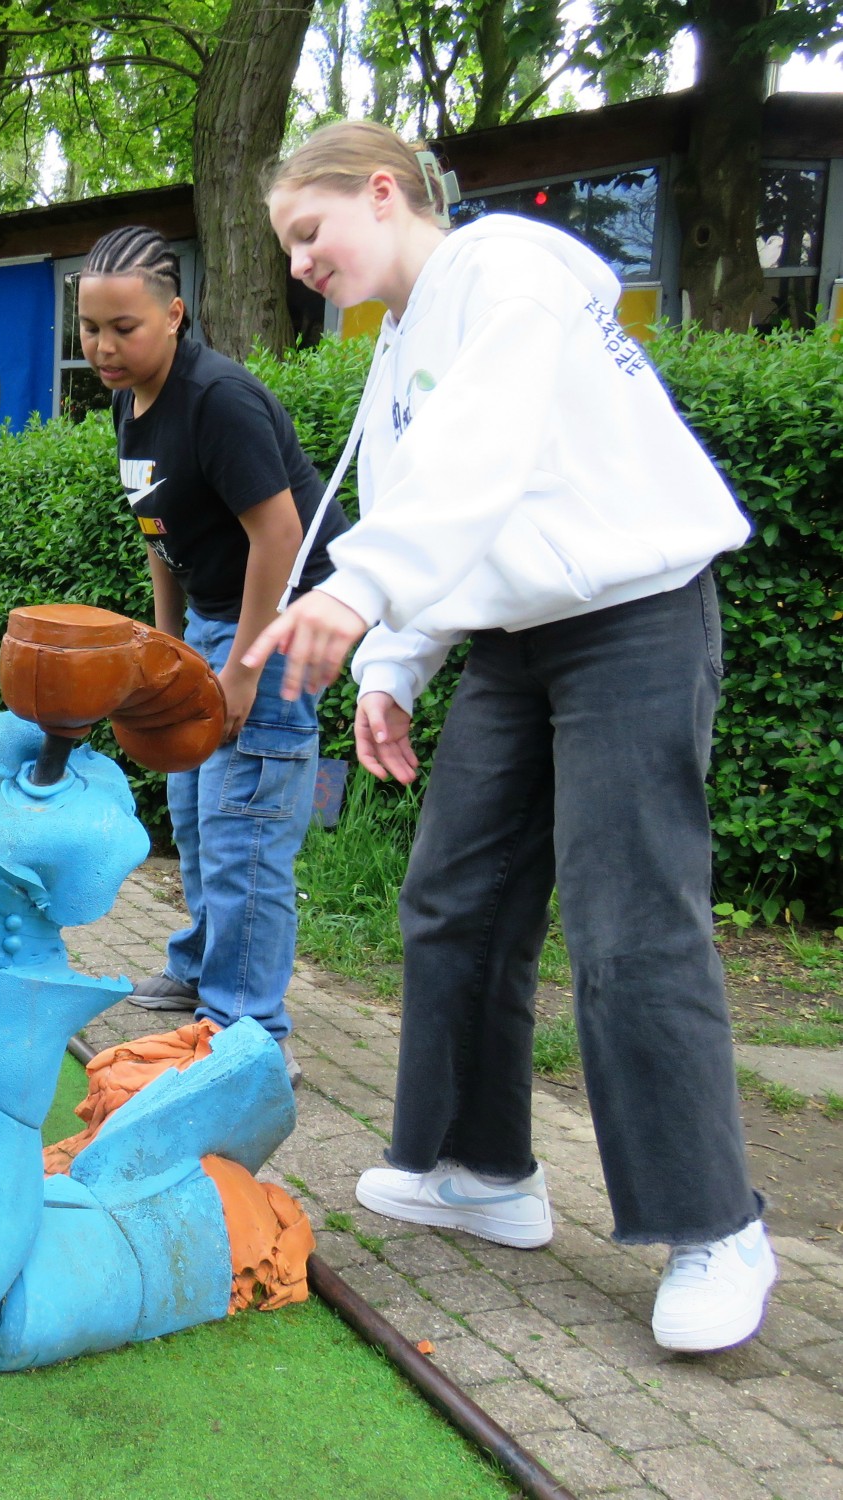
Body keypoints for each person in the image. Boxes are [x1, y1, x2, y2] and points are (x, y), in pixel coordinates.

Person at [245, 120, 771, 1352]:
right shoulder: (399, 345)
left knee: (628, 922)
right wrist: (390, 663)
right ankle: (483, 1172)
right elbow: (424, 507)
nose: (304, 263)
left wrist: (356, 598)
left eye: (309, 233)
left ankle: (716, 1226)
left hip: (631, 617)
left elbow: (485, 459)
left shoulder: (513, 271)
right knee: (455, 895)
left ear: (383, 192)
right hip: (512, 639)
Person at [75, 225, 349, 1087]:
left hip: (281, 616)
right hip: (209, 617)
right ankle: (200, 965)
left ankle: (246, 1029)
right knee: (194, 809)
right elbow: (159, 531)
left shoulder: (217, 397)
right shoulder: (131, 400)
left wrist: (243, 669)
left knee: (248, 827)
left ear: (174, 314)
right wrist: (163, 645)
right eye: (90, 328)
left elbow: (280, 534)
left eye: (125, 328)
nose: (104, 348)